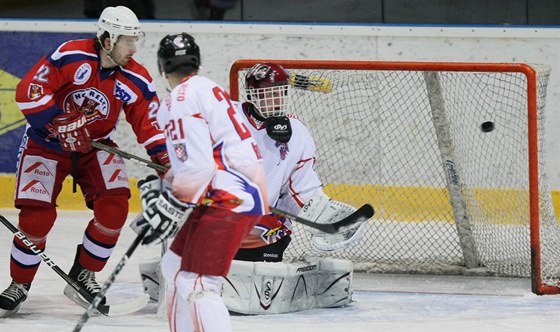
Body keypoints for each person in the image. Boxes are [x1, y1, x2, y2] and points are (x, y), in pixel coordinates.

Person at [137, 63, 367, 316]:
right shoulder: (224, 117)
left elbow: (300, 188)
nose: (275, 99)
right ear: (252, 95)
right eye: (267, 93)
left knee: (254, 283)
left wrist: (322, 215)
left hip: (265, 230)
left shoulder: (298, 133)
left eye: (279, 92)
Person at [0, 5, 169, 318]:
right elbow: (28, 92)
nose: (133, 48)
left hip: (95, 145)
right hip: (46, 143)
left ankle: (83, 275)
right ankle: (19, 284)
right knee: (36, 218)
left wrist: (164, 158)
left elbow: (149, 121)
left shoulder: (135, 77)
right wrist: (56, 120)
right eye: (127, 41)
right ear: (107, 40)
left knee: (115, 206)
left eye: (135, 41)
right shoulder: (70, 55)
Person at [136, 32, 268, 331]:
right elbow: (199, 161)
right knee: (173, 266)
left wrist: (169, 203)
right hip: (234, 193)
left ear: (162, 67)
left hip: (227, 199)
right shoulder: (208, 87)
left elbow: (198, 165)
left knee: (197, 281)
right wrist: (167, 191)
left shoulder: (178, 100)